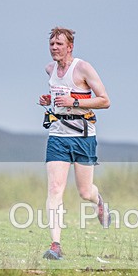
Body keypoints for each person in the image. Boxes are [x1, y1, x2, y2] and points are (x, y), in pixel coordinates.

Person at [38, 26, 111, 260]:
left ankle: (98, 200)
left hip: (83, 136)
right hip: (58, 136)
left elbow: (105, 100)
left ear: (70, 47)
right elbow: (59, 96)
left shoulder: (83, 68)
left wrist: (75, 101)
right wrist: (48, 100)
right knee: (55, 189)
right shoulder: (50, 70)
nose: (54, 48)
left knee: (84, 191)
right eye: (52, 44)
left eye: (59, 44)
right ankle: (55, 245)